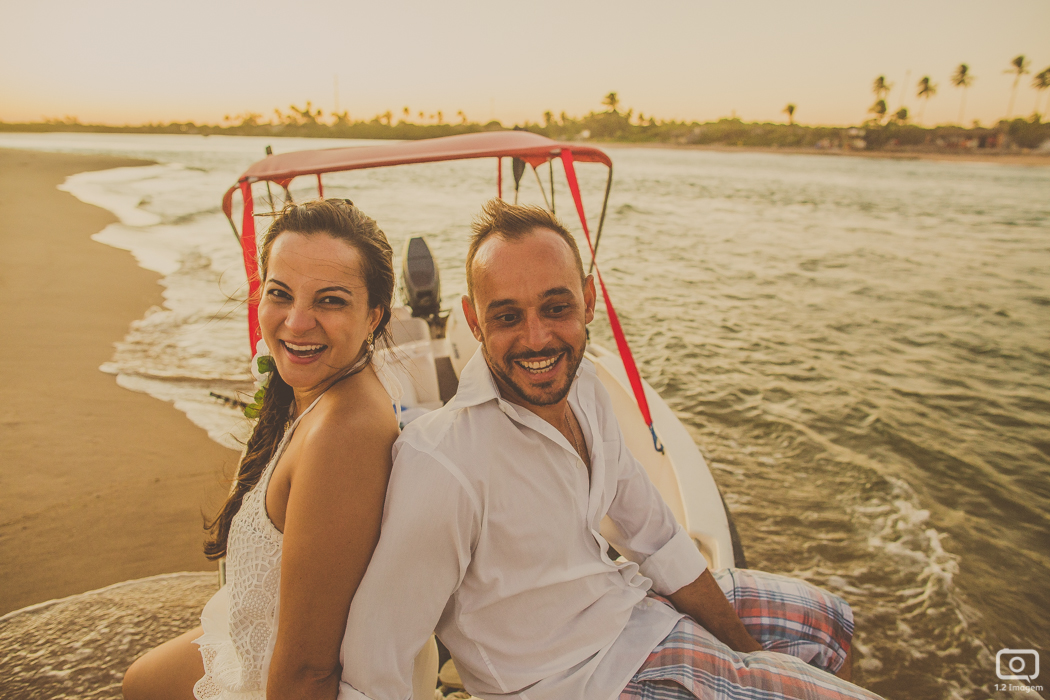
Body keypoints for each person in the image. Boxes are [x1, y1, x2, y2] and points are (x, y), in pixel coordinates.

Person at [337, 199, 882, 700]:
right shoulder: (446, 463)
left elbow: (656, 537)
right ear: (474, 321)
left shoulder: (589, 391)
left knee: (828, 621)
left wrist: (744, 653)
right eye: (507, 317)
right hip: (575, 682)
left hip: (629, 612)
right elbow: (374, 656)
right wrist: (757, 672)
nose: (536, 338)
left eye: (556, 307)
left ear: (589, 299)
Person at [122, 199, 436, 700]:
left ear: (375, 314)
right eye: (280, 294)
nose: (296, 322)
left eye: (330, 301)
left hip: (273, 680)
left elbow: (308, 672)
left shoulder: (343, 435)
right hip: (253, 638)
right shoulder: (320, 392)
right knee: (142, 679)